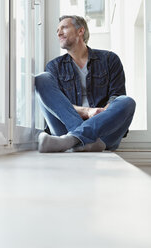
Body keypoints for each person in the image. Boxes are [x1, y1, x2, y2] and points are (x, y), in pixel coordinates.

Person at [35, 15, 136, 153]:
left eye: (64, 27)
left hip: (102, 133)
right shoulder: (54, 67)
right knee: (42, 79)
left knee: (127, 101)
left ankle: (72, 140)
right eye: (57, 30)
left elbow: (116, 96)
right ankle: (84, 140)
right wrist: (88, 112)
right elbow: (59, 106)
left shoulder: (109, 59)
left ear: (80, 31)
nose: (58, 33)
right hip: (66, 128)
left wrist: (101, 116)